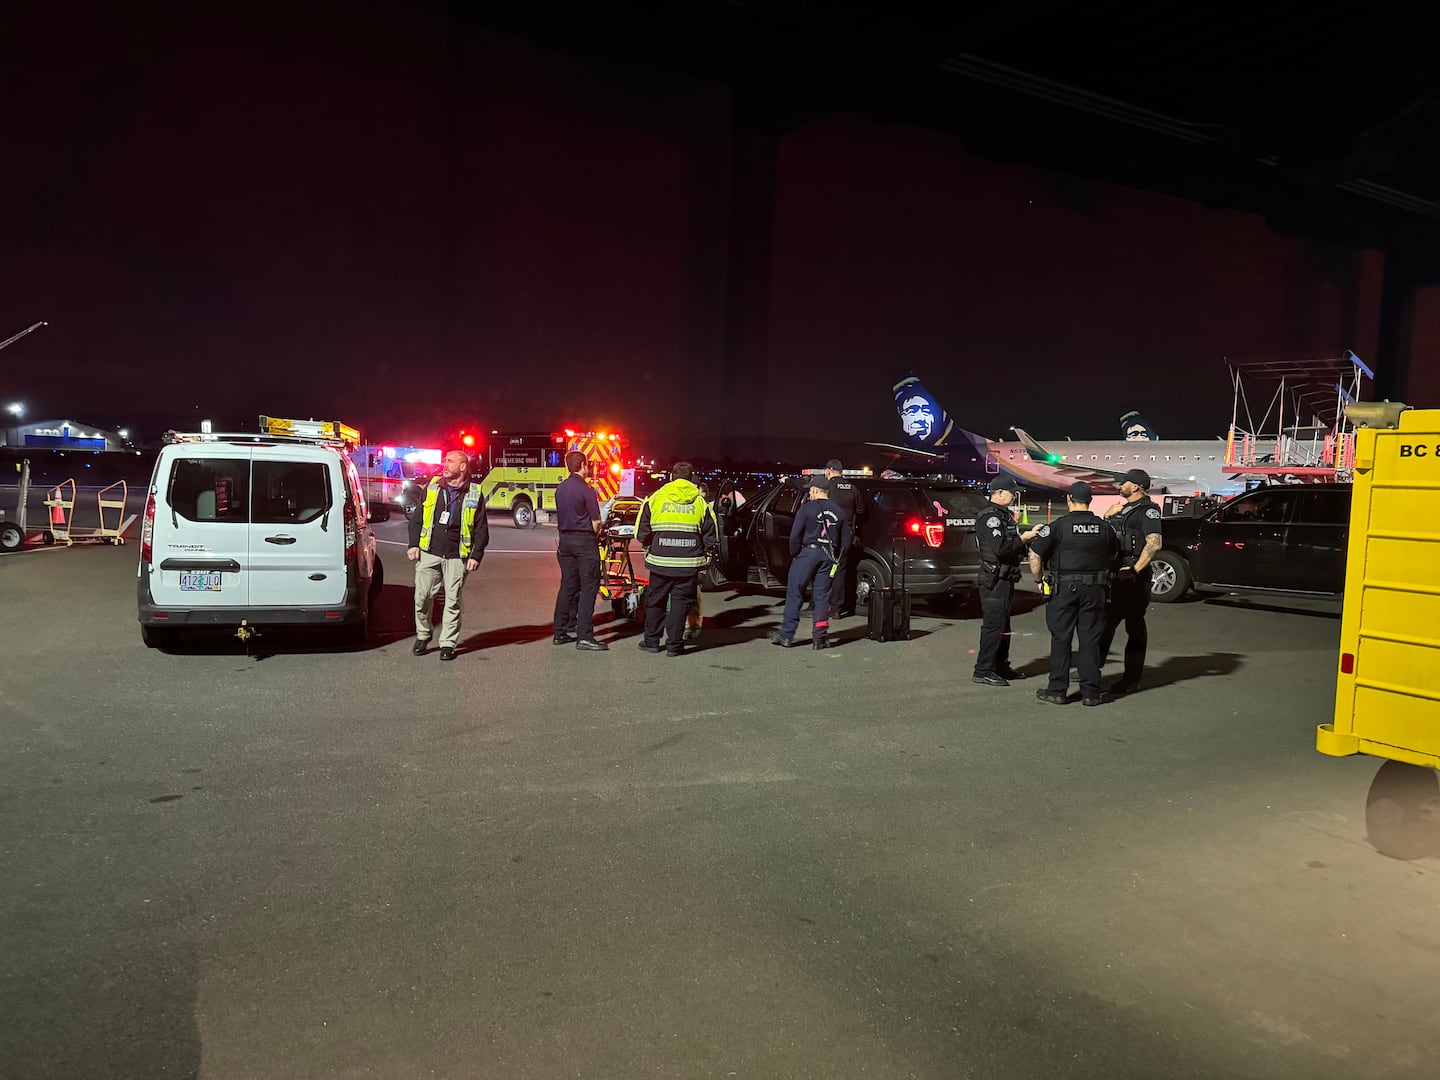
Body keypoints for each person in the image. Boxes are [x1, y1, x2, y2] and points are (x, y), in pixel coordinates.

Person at [1028, 481, 1120, 706]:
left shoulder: (1058, 526)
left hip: (1064, 590)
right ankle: (1091, 693)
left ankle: (1057, 690)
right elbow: (1114, 554)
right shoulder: (1104, 527)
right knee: (1090, 640)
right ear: (1090, 501)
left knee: (1061, 639)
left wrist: (1039, 580)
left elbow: (1034, 556)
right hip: (1095, 589)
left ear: (1069, 499)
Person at [407, 449, 489, 661]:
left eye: (450, 461)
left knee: (453, 601)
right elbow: (417, 518)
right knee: (422, 597)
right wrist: (413, 544)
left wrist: (475, 555)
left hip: (457, 556)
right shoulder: (432, 487)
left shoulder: (474, 493)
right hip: (430, 552)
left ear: (463, 467)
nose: (445, 464)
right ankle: (423, 635)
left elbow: (481, 529)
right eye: (445, 460)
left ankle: (447, 643)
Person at [635, 461, 718, 656]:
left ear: (671, 476)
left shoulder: (654, 498)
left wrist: (650, 547)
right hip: (688, 565)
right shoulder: (700, 503)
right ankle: (674, 645)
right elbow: (711, 536)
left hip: (660, 563)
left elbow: (641, 531)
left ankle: (652, 641)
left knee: (656, 601)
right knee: (681, 603)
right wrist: (704, 557)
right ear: (691, 479)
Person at [1100, 468, 1164, 694]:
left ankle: (1131, 678)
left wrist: (1135, 570)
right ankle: (1093, 668)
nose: (1119, 486)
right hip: (1116, 575)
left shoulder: (1148, 511)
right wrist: (1107, 517)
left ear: (1136, 486)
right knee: (1105, 624)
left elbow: (1154, 543)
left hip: (1134, 578)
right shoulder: (1123, 509)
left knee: (1134, 627)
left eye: (1123, 483)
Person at [770, 476, 851, 650]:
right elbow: (846, 541)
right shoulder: (839, 511)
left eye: (810, 491)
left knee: (795, 592)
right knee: (822, 597)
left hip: (808, 553)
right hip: (828, 556)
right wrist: (837, 559)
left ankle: (786, 634)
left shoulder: (807, 508)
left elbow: (794, 535)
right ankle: (820, 638)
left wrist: (795, 554)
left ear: (814, 490)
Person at [973, 475, 1037, 686]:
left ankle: (1001, 666)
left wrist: (1026, 542)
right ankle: (983, 670)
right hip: (994, 579)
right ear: (999, 493)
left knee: (1003, 625)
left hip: (1006, 577)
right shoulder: (991, 517)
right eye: (1011, 493)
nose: (1014, 496)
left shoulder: (1004, 516)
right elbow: (1000, 548)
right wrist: (1024, 538)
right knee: (993, 625)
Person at [552, 451, 608, 651]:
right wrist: (595, 535)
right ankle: (584, 636)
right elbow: (596, 522)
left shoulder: (561, 489)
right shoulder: (586, 490)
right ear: (584, 465)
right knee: (589, 588)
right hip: (584, 542)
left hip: (565, 541)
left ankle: (560, 632)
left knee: (567, 586)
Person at [824, 459, 861, 616]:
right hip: (846, 535)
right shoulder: (852, 488)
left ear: (828, 471)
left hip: (829, 534)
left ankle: (819, 605)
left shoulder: (827, 487)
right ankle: (837, 609)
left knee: (825, 569)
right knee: (840, 570)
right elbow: (861, 510)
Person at [684, 482, 713, 643]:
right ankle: (686, 623)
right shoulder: (694, 508)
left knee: (694, 593)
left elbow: (710, 535)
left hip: (696, 558)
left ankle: (692, 625)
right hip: (688, 556)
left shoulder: (704, 509)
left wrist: (706, 557)